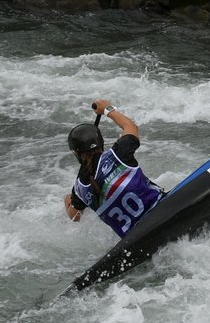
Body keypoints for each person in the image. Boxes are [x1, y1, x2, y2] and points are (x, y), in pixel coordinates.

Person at [64, 101, 166, 241]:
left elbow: (74, 216)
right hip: (162, 209)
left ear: (76, 153)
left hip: (137, 238)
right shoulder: (118, 154)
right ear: (101, 143)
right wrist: (107, 109)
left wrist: (68, 200)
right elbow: (131, 127)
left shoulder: (79, 189)